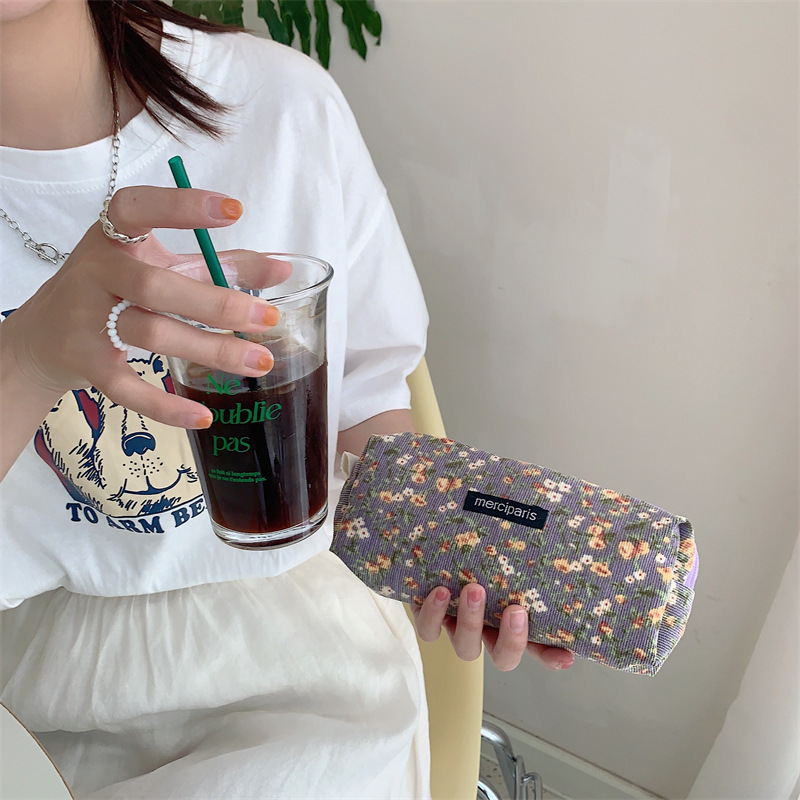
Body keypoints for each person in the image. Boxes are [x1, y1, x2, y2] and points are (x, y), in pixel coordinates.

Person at [0, 1, 573, 797]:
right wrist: (28, 356)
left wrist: (471, 555)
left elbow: (366, 407)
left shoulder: (278, 107)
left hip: (298, 658)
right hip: (31, 677)